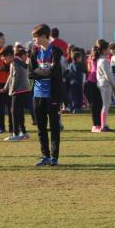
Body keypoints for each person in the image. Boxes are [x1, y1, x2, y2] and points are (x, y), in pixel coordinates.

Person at [29, 24, 66, 166]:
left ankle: (54, 157)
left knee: (54, 127)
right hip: (38, 95)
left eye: (36, 37)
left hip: (53, 95)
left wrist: (38, 71)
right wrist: (42, 71)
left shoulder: (56, 51)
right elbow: (30, 73)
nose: (34, 40)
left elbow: (54, 72)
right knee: (41, 127)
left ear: (44, 36)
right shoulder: (34, 52)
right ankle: (45, 155)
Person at [1, 47, 31, 141]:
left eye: (4, 58)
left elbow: (15, 77)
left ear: (9, 56)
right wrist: (5, 88)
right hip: (23, 89)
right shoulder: (17, 61)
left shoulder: (14, 62)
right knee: (19, 112)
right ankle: (24, 132)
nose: (4, 60)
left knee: (14, 111)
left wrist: (11, 90)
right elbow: (10, 76)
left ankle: (16, 133)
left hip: (19, 90)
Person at [96, 39, 115, 132]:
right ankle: (103, 126)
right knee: (106, 105)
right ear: (103, 50)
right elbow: (108, 75)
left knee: (105, 105)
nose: (109, 50)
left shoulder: (101, 60)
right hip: (105, 85)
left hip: (102, 84)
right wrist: (114, 86)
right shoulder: (103, 60)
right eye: (107, 49)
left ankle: (104, 124)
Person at [85, 43, 103, 132]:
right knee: (97, 105)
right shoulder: (96, 59)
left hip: (91, 83)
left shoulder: (90, 58)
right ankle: (97, 124)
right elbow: (96, 71)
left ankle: (98, 124)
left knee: (96, 105)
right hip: (94, 83)